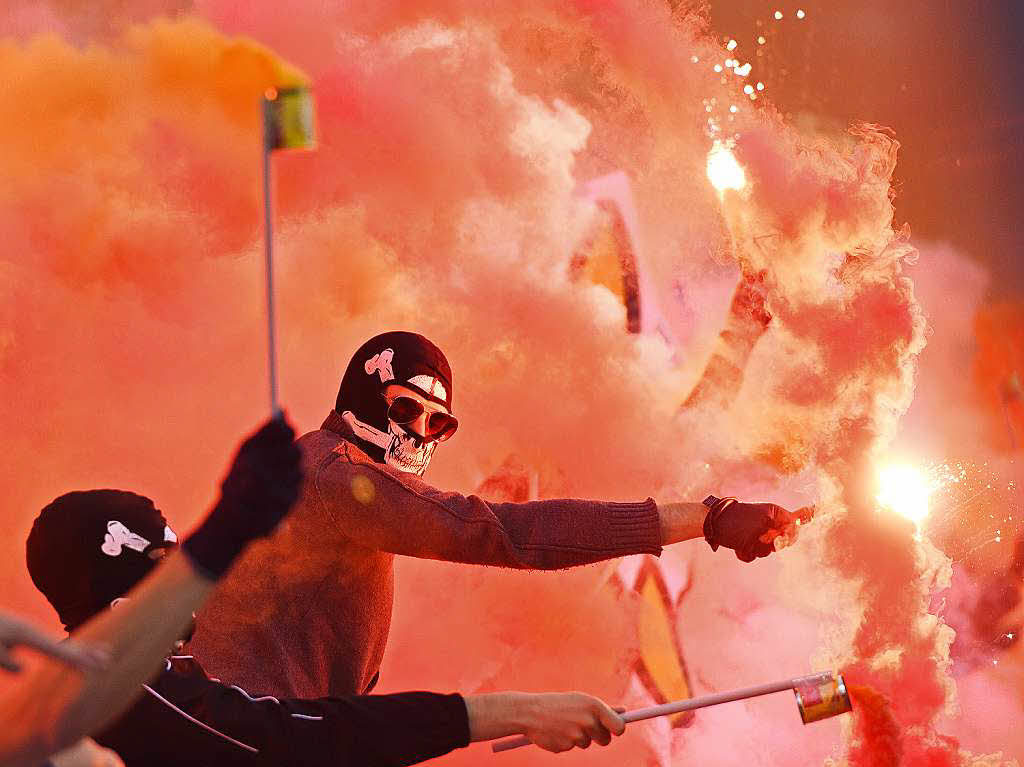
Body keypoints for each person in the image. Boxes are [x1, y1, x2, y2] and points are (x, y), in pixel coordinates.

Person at [189, 331, 808, 699]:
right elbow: (503, 533)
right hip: (247, 739)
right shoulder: (335, 480)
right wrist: (705, 519)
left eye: (440, 423)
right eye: (408, 411)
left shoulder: (332, 471)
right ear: (362, 397)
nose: (423, 434)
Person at [24, 486, 643, 766]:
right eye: (167, 570)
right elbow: (296, 738)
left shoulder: (108, 679)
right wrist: (511, 712)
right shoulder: (123, 694)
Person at [1, 417, 302, 767]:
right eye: (159, 558)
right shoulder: (127, 701)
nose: (168, 575)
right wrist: (226, 530)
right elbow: (279, 737)